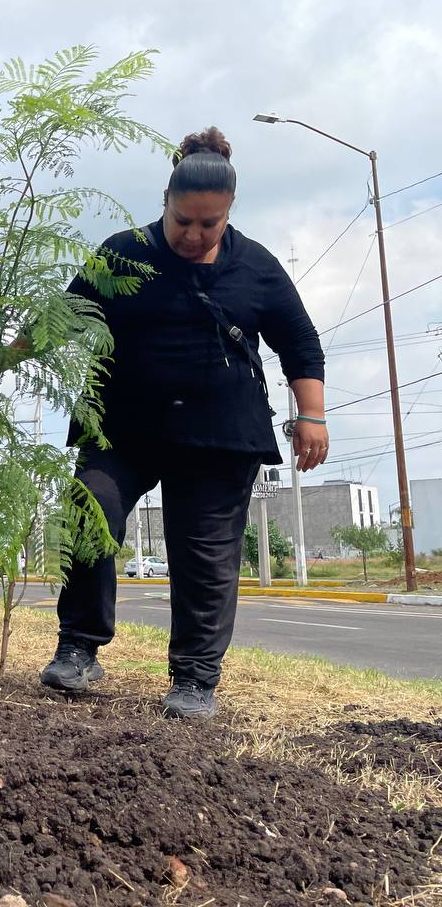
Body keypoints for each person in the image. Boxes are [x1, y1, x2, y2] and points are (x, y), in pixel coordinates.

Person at [40, 128, 327, 721]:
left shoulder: (257, 267)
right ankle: (78, 648)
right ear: (165, 201)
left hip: (220, 435)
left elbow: (301, 344)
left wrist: (312, 416)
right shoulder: (122, 252)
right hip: (123, 428)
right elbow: (62, 320)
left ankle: (195, 679)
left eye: (209, 225)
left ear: (228, 214)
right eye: (183, 222)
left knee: (204, 555)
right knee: (90, 508)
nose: (194, 236)